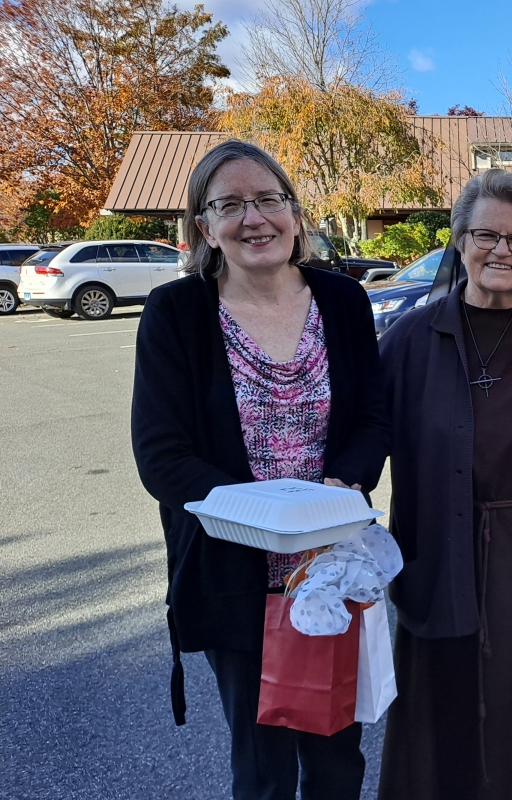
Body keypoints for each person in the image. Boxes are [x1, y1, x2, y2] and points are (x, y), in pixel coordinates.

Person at [131, 139, 388, 800]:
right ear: (204, 227)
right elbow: (161, 456)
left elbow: (372, 419)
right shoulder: (176, 313)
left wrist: (344, 483)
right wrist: (263, 515)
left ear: (295, 214)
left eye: (269, 199)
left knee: (337, 762)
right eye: (230, 205)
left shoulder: (343, 301)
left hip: (328, 570)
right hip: (233, 573)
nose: (254, 218)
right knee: (262, 772)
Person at [376, 169, 512, 800]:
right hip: (444, 546)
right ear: (460, 240)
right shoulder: (410, 340)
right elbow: (363, 436)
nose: (502, 250)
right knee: (445, 706)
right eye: (486, 235)